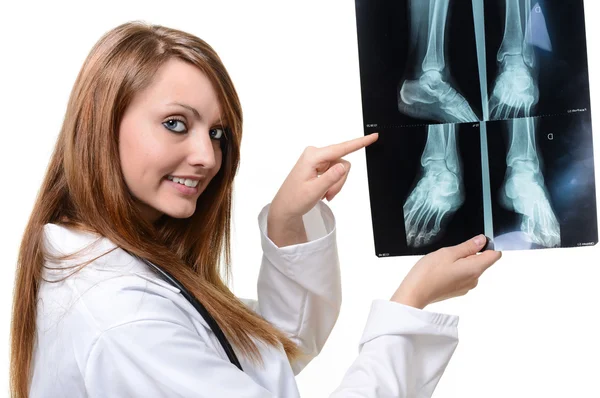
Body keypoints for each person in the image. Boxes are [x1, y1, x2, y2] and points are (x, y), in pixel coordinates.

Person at [10, 21, 502, 397]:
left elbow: (264, 356)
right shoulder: (121, 318)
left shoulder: (113, 266)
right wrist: (410, 306)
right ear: (102, 125)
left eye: (217, 133)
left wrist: (288, 222)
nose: (207, 157)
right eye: (177, 124)